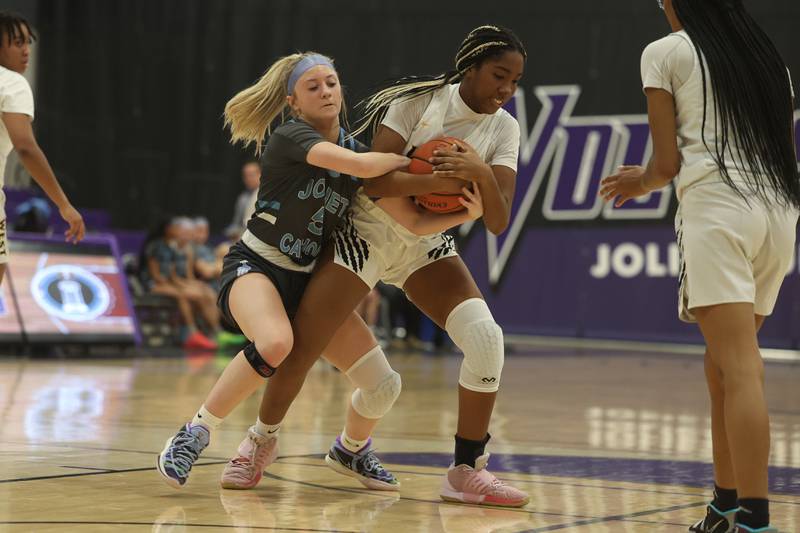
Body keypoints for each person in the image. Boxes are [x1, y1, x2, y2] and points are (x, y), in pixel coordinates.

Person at [229, 25, 531, 507]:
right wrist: (444, 182)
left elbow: (498, 219)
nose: (507, 89)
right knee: (303, 346)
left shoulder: (505, 129)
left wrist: (476, 172)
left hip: (426, 242)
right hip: (366, 232)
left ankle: (464, 471)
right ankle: (259, 441)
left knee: (486, 340)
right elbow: (376, 182)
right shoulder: (417, 102)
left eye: (515, 81)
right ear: (470, 68)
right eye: (499, 75)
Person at [156, 51, 478, 489]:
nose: (326, 91)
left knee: (383, 385)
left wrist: (464, 211)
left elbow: (414, 222)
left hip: (309, 284)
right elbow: (364, 167)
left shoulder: (357, 151)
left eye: (331, 83)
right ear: (293, 102)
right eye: (313, 86)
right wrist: (419, 166)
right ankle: (195, 432)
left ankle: (352, 450)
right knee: (275, 343)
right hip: (257, 266)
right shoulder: (293, 137)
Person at [599, 1, 799, 531]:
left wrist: (637, 182)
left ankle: (754, 520)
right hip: (779, 213)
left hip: (719, 207)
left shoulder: (665, 52)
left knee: (740, 366)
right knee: (723, 367)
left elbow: (666, 165)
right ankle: (724, 506)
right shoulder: (768, 59)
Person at [0, 11, 84, 281]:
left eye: (28, 42)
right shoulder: (11, 83)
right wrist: (64, 205)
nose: (26, 50)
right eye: (17, 43)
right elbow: (25, 147)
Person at [225, 160, 261, 236]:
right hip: (242, 235)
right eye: (245, 176)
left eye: (251, 175)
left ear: (260, 175)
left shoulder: (268, 195)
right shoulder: (242, 198)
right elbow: (236, 223)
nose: (248, 179)